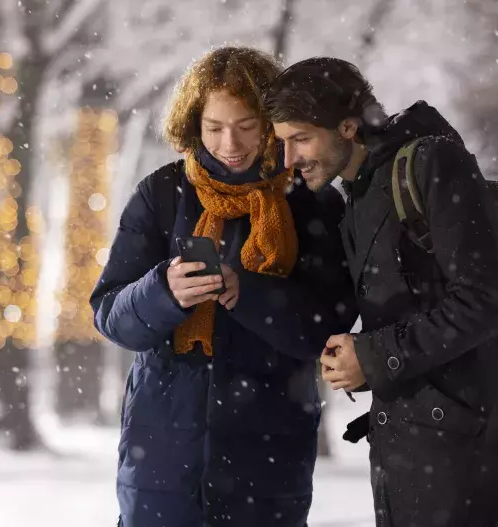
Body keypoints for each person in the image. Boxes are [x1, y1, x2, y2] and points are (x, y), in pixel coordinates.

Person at [263, 57, 498, 527]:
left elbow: (487, 299)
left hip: (468, 457)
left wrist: (372, 358)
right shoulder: (359, 193)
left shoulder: (431, 163)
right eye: (280, 143)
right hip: (411, 457)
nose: (288, 160)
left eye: (300, 139)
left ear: (347, 126)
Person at [90, 47, 357, 527]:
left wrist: (247, 294)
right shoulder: (161, 194)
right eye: (214, 128)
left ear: (270, 121)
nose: (229, 143)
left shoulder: (311, 199)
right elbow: (110, 316)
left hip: (269, 447)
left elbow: (329, 325)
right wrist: (163, 291)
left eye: (246, 126)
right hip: (163, 450)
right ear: (194, 124)